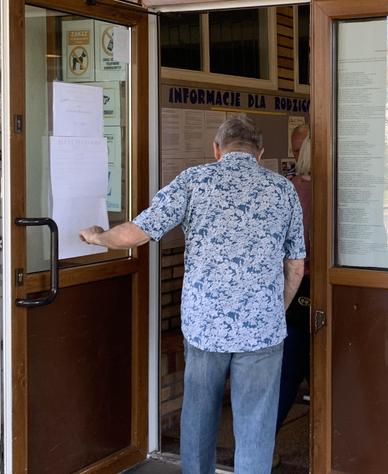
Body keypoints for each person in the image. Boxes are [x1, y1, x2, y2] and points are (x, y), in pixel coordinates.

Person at [79, 115, 306, 474]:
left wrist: (97, 237)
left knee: (199, 416)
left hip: (205, 326)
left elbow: (138, 233)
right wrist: (273, 312)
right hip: (262, 330)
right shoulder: (283, 190)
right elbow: (296, 266)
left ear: (216, 149)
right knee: (256, 427)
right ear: (260, 153)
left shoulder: (193, 181)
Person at [275, 134, 312, 450]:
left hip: (295, 288)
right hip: (326, 285)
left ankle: (260, 450)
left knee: (286, 375)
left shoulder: (290, 190)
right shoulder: (335, 189)